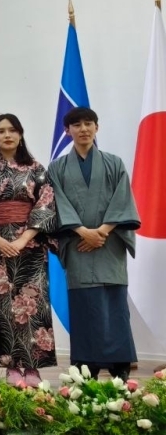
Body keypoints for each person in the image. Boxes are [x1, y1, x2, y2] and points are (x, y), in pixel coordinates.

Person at [47, 107, 141, 380]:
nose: (83, 129)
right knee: (84, 305)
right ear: (67, 131)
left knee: (114, 305)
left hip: (110, 243)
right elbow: (57, 203)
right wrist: (82, 232)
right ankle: (86, 364)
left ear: (97, 128)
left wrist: (100, 232)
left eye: (88, 123)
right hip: (78, 244)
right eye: (76, 125)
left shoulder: (114, 163)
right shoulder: (57, 168)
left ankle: (120, 364)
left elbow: (123, 199)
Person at [0, 113, 58, 386]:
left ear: (20, 134)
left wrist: (24, 239)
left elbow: (45, 205)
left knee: (34, 305)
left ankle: (33, 367)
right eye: (1, 131)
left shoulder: (36, 168)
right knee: (2, 307)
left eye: (12, 130)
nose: (7, 135)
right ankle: (10, 366)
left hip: (31, 246)